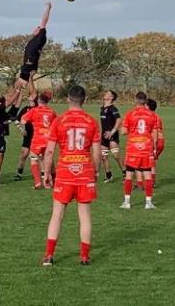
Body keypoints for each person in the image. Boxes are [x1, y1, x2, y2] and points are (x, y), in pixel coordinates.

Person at [41, 85, 101, 266]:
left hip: (65, 172)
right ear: (85, 100)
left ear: (68, 99)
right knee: (84, 214)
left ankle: (49, 256)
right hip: (84, 172)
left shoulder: (59, 121)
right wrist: (95, 171)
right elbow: (97, 153)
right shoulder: (91, 122)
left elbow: (50, 152)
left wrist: (46, 173)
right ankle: (84, 257)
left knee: (57, 214)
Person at [119, 92, 159, 210]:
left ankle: (127, 202)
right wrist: (154, 147)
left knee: (129, 175)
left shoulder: (130, 114)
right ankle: (148, 202)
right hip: (146, 148)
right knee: (147, 174)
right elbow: (154, 132)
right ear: (145, 101)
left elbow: (124, 131)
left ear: (136, 100)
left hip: (133, 148)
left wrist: (130, 129)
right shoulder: (152, 115)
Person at [20, 90, 57, 189]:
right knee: (49, 160)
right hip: (48, 139)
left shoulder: (34, 110)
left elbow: (23, 121)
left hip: (37, 139)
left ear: (39, 100)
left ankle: (37, 182)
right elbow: (56, 125)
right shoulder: (52, 112)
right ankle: (53, 181)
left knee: (33, 159)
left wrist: (22, 129)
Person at [15, 2, 52, 90]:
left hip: (29, 65)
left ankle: (31, 99)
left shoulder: (41, 36)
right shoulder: (35, 39)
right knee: (20, 86)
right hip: (28, 65)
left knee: (21, 85)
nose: (36, 28)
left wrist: (48, 7)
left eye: (38, 27)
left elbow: (44, 20)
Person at [12, 79, 38, 181]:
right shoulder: (25, 109)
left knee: (40, 155)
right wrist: (21, 129)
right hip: (28, 135)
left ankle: (45, 174)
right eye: (30, 97)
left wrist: (30, 78)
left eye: (32, 96)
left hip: (37, 135)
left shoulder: (37, 107)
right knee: (24, 154)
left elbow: (33, 91)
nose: (31, 97)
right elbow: (16, 121)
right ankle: (19, 173)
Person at [99, 90, 123, 183]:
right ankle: (109, 176)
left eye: (108, 93)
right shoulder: (102, 108)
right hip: (104, 136)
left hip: (112, 135)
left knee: (116, 156)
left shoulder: (113, 109)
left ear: (112, 98)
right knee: (103, 157)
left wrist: (113, 131)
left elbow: (119, 119)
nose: (105, 93)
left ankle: (125, 173)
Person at [147, 98, 165, 187]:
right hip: (159, 141)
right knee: (150, 161)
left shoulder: (151, 116)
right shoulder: (156, 116)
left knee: (150, 162)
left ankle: (151, 182)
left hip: (156, 141)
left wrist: (154, 146)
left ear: (148, 106)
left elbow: (156, 132)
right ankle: (147, 181)